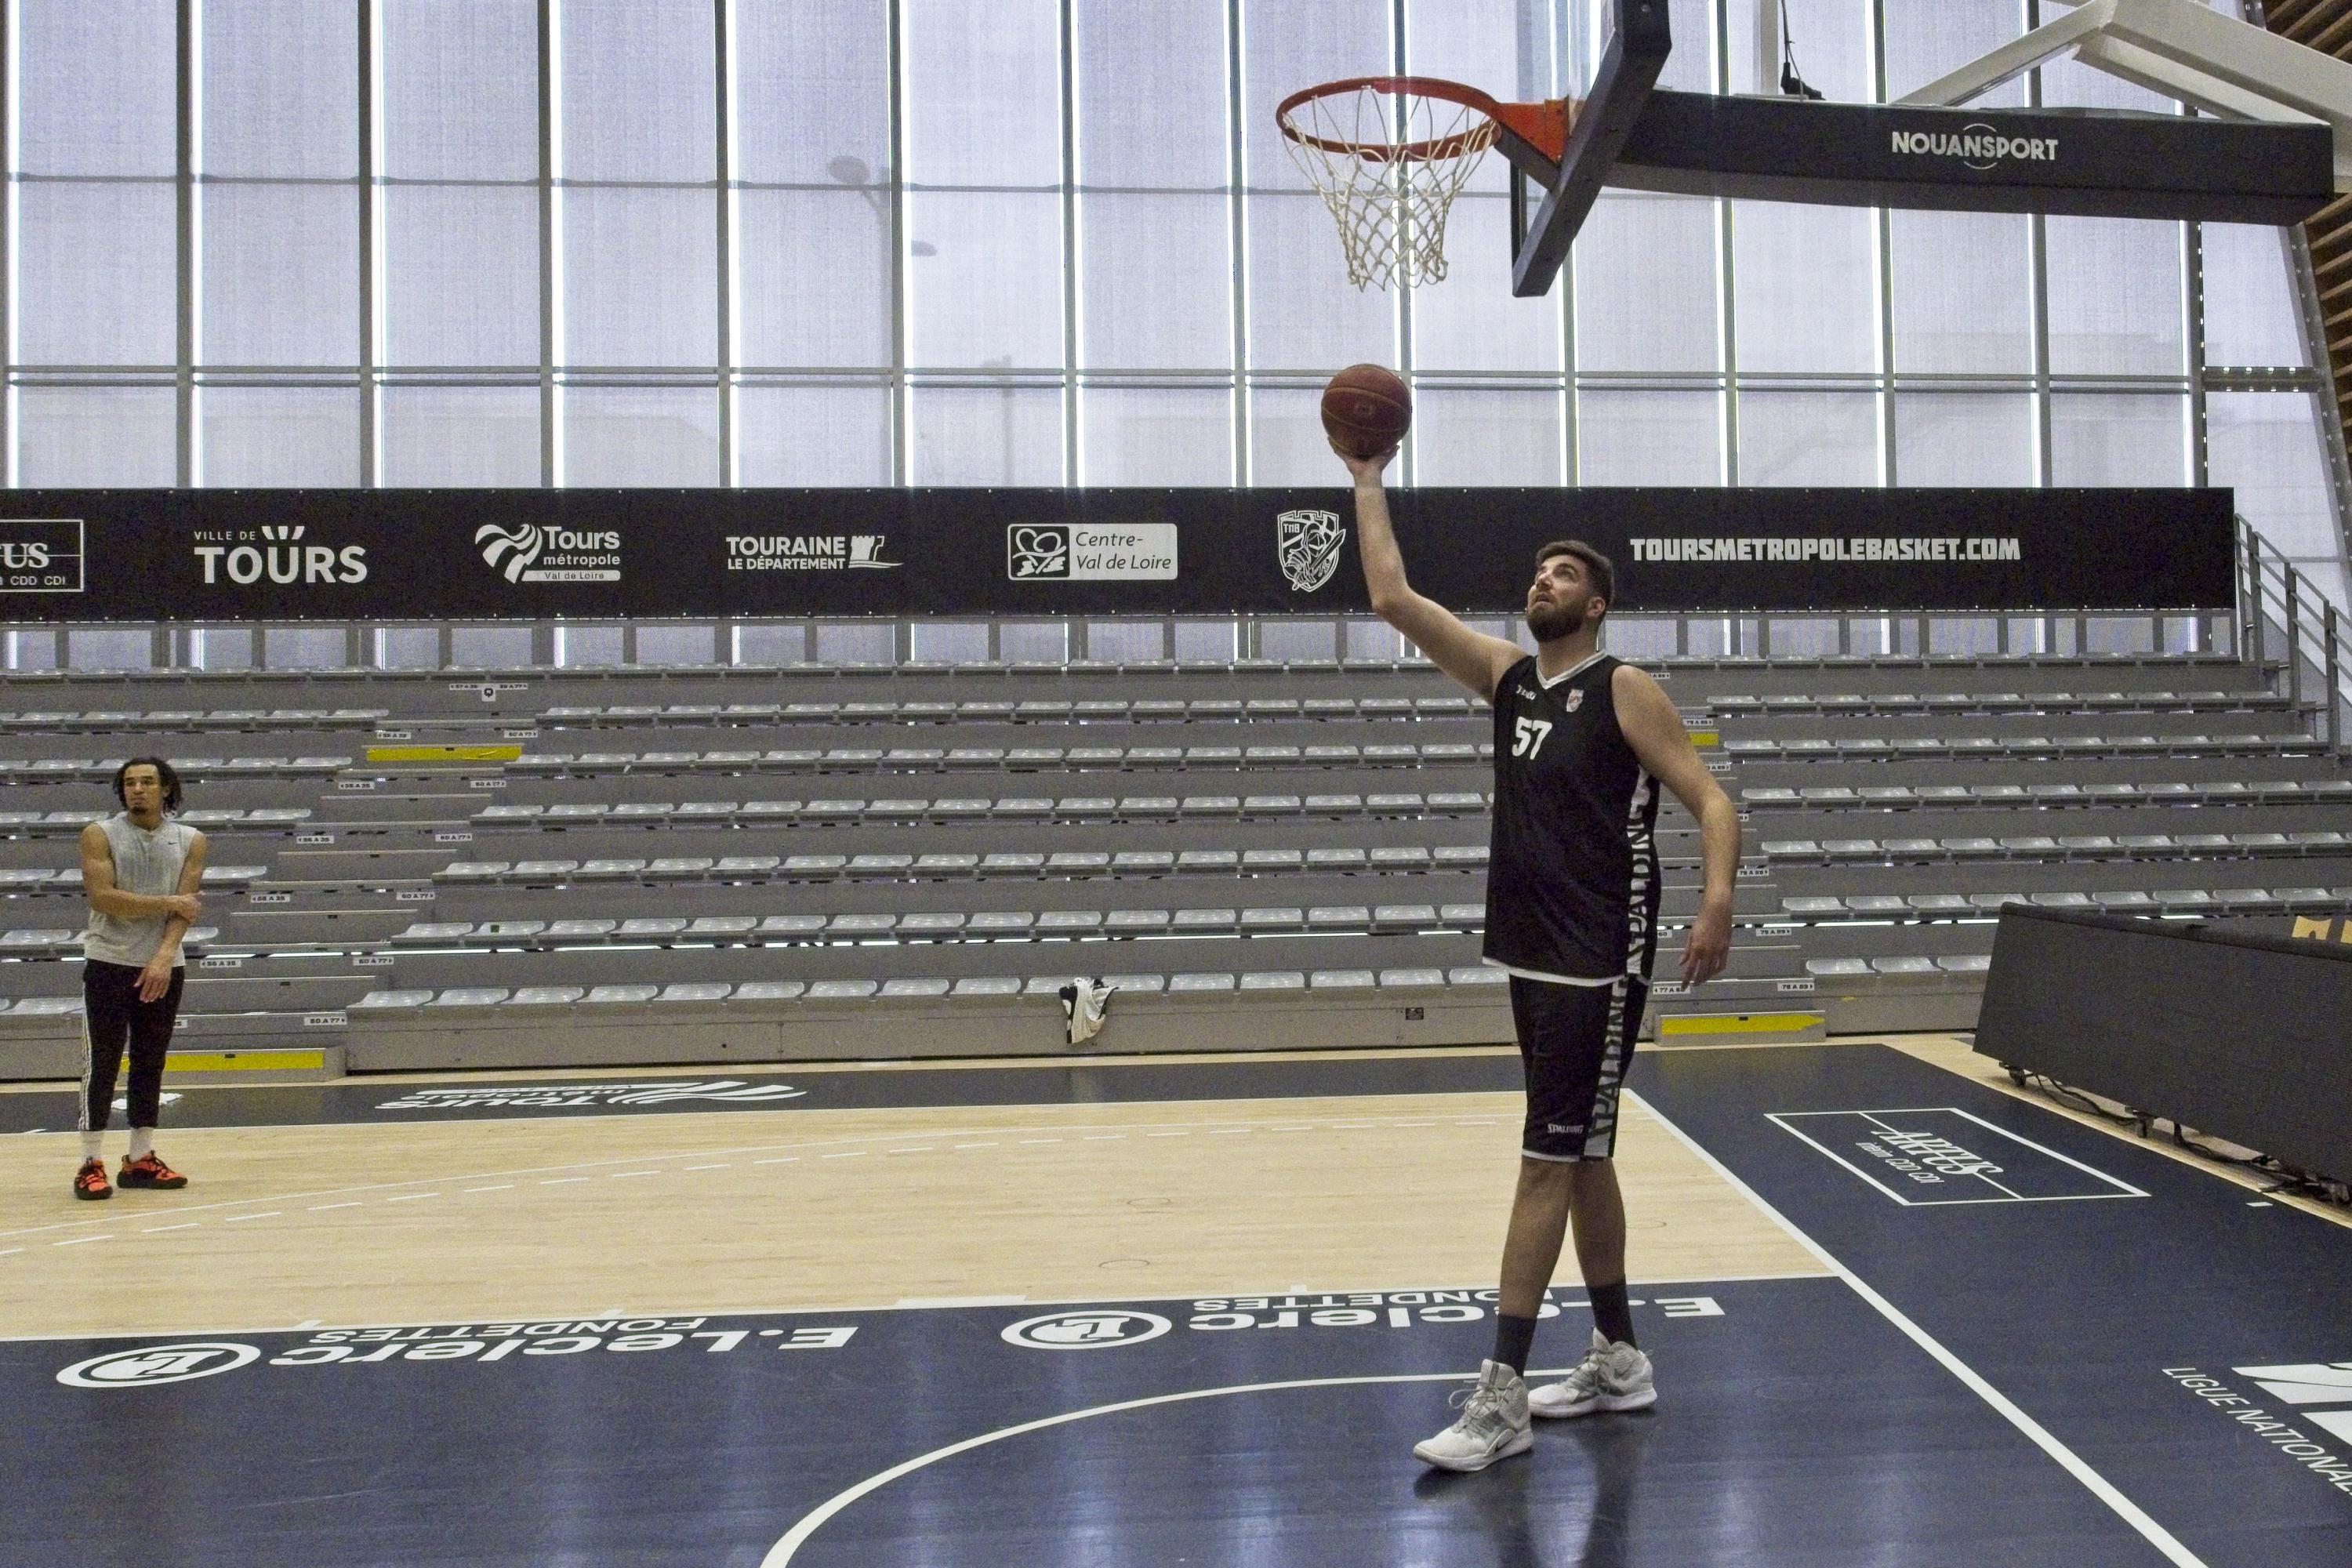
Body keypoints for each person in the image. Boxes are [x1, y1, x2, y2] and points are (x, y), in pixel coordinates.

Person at [1332, 445, 1741, 1472]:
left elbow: (1712, 800)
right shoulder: (1512, 683)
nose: (1541, 583)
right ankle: (1617, 1357)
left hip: (1600, 957)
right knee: (1584, 1151)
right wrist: (1368, 478)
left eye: (1563, 575)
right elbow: (1391, 596)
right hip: (1531, 949)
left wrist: (1718, 898)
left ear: (1597, 604)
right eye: (1538, 573)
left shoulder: (1625, 687)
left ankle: (1503, 1394)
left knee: (1544, 1161)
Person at [73, 757, 208, 1200]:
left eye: (147, 782)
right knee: (104, 1063)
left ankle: (141, 1158)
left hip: (163, 964)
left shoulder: (190, 840)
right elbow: (105, 899)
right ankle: (90, 1162)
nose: (138, 790)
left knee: (151, 1060)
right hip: (110, 960)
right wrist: (171, 900)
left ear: (166, 788)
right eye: (130, 783)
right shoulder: (100, 834)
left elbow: (185, 911)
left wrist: (164, 955)